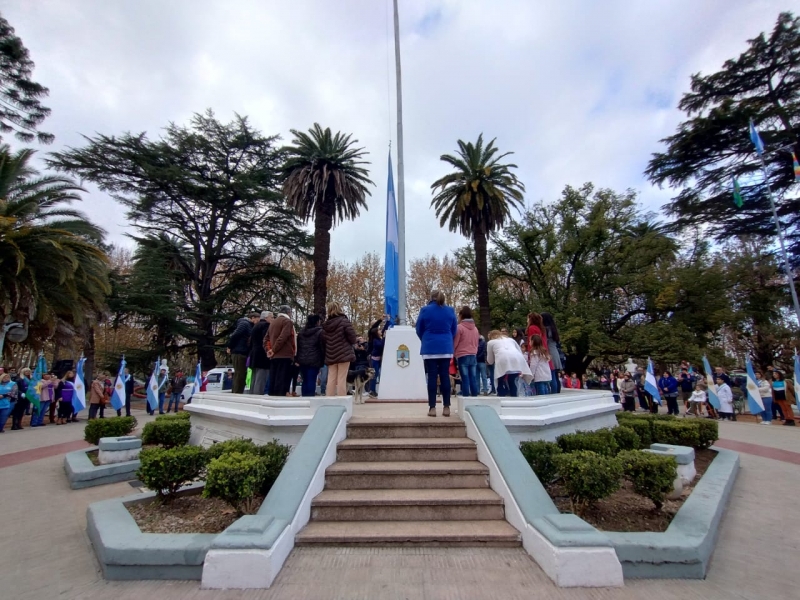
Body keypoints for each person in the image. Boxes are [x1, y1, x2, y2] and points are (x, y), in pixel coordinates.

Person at [416, 290, 458, 417]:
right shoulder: (450, 310)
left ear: (431, 298)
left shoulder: (425, 310)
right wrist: (447, 338)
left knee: (432, 377)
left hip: (430, 346)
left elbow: (419, 328)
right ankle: (446, 407)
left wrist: (426, 338)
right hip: (445, 346)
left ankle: (432, 408)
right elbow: (454, 329)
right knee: (445, 376)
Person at [320, 302, 357, 397]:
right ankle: (342, 399)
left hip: (331, 354)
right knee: (341, 378)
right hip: (344, 353)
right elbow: (352, 338)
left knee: (331, 377)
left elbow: (324, 340)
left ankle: (329, 398)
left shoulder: (326, 325)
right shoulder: (344, 321)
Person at [486, 329, 533, 397]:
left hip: (502, 360)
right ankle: (514, 396)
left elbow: (490, 360)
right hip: (516, 359)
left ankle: (502, 396)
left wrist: (491, 360)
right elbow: (519, 350)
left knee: (500, 381)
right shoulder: (511, 340)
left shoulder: (491, 342)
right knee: (512, 381)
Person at [267, 304, 297, 397]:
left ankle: (272, 396)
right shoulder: (287, 322)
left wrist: (269, 350)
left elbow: (266, 338)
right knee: (282, 378)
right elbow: (283, 337)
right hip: (284, 354)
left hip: (274, 356)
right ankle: (281, 397)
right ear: (288, 312)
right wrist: (274, 349)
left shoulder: (273, 322)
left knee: (274, 378)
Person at [227, 311, 259, 394]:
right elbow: (235, 335)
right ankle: (236, 392)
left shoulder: (249, 325)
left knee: (241, 374)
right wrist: (230, 346)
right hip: (239, 352)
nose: (257, 323)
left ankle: (238, 391)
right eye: (257, 320)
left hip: (243, 352)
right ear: (252, 318)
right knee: (239, 374)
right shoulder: (244, 324)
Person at [454, 306, 480, 398]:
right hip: (473, 354)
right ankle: (474, 396)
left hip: (462, 354)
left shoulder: (459, 328)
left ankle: (465, 397)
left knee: (465, 378)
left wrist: (453, 351)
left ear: (461, 315)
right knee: (473, 377)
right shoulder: (475, 328)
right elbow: (477, 342)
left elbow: (456, 342)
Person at [297, 314, 325, 397]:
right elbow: (322, 347)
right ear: (317, 322)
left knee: (305, 380)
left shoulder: (301, 332)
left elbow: (298, 346)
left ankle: (304, 398)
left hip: (302, 359)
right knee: (311, 380)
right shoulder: (320, 332)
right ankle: (310, 399)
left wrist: (297, 359)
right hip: (314, 359)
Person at [249, 311, 272, 395]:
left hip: (254, 354)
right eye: (271, 317)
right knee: (261, 377)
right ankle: (258, 394)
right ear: (266, 318)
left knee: (254, 377)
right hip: (262, 355)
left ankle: (252, 393)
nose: (272, 319)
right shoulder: (266, 325)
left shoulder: (256, 326)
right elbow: (266, 340)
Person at [367, 317, 389, 397]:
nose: (380, 330)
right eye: (378, 329)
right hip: (373, 359)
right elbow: (380, 346)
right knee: (374, 374)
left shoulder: (378, 337)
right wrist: (380, 320)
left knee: (377, 374)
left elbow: (384, 330)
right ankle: (372, 390)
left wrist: (388, 322)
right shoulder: (373, 337)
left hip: (378, 359)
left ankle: (373, 390)